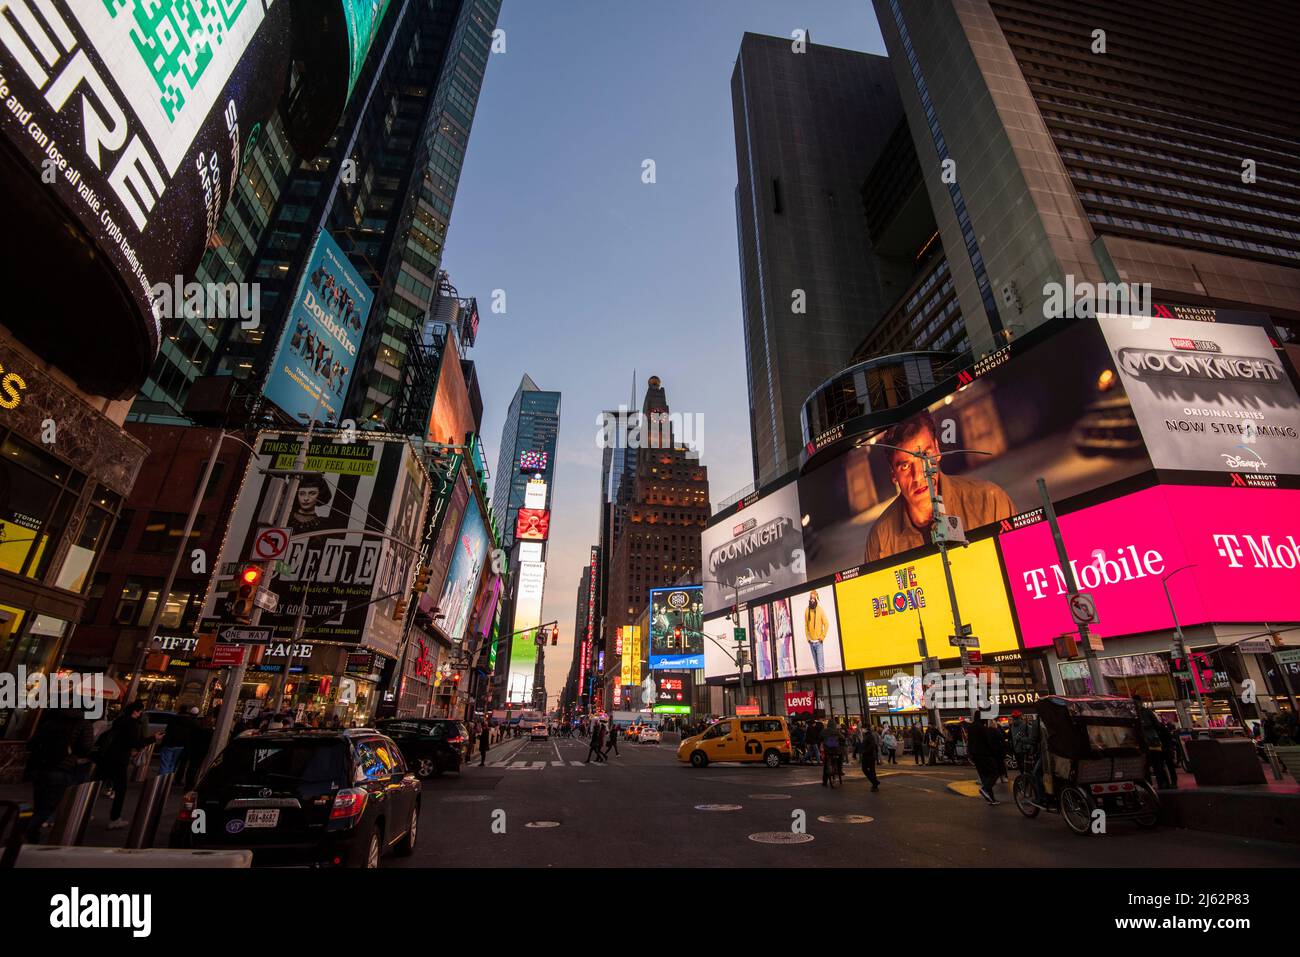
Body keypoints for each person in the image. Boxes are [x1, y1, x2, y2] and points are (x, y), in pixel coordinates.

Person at [864, 410, 1015, 563]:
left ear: (937, 449)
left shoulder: (990, 502)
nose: (918, 476)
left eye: (925, 456)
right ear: (893, 474)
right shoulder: (881, 540)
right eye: (905, 466)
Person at [24, 706, 94, 841]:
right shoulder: (83, 724)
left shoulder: (50, 722)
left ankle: (31, 834)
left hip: (39, 767)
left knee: (40, 803)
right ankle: (25, 832)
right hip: (62, 768)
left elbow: (31, 744)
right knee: (50, 805)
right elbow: (85, 748)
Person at [95, 700, 155, 829]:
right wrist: (153, 739)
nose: (141, 714)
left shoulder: (119, 721)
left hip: (106, 757)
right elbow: (135, 742)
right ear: (136, 712)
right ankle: (115, 818)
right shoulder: (132, 724)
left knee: (96, 785)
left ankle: (85, 810)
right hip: (119, 759)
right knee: (121, 789)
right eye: (140, 712)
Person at [1133, 694, 1169, 789]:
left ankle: (1148, 785)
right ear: (1141, 702)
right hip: (1153, 743)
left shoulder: (1133, 713)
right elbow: (1157, 726)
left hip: (1141, 745)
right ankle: (1161, 784)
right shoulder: (1147, 712)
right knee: (1158, 765)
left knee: (1145, 766)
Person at [967, 713, 1002, 805]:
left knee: (985, 776)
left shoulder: (970, 727)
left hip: (975, 755)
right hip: (984, 754)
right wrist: (994, 753)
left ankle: (991, 798)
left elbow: (969, 742)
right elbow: (988, 742)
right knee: (994, 773)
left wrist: (970, 755)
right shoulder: (983, 728)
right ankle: (985, 789)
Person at [157, 707, 197, 777]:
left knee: (165, 764)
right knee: (172, 764)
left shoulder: (173, 719)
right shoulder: (190, 722)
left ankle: (161, 781)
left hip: (169, 744)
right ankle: (167, 781)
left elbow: (167, 731)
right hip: (180, 745)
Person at [803, 590, 829, 672]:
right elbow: (806, 625)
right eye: (811, 598)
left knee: (821, 667)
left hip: (818, 642)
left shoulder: (820, 610)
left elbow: (827, 623)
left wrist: (822, 636)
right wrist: (808, 638)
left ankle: (823, 683)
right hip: (811, 642)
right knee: (816, 666)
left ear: (816, 598)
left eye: (813, 598)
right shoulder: (807, 610)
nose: (812, 600)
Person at [1156, 717, 1179, 789]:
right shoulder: (1162, 727)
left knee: (1161, 766)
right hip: (1166, 749)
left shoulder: (1156, 728)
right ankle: (1172, 782)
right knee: (1169, 766)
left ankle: (1166, 783)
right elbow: (1169, 737)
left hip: (1161, 749)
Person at [822, 720, 844, 786]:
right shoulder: (836, 731)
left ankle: (825, 781)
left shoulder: (824, 731)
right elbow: (842, 738)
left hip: (827, 750)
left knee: (826, 765)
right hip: (836, 750)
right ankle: (839, 770)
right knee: (840, 757)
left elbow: (819, 737)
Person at [859, 722, 880, 791]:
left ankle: (874, 784)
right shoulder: (866, 735)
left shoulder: (869, 735)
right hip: (867, 755)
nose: (862, 729)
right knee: (868, 769)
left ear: (866, 728)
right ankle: (875, 782)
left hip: (869, 755)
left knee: (869, 770)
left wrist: (865, 751)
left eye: (862, 728)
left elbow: (872, 745)